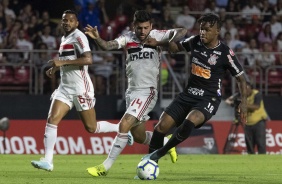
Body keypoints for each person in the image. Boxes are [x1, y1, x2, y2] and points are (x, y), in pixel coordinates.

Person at [84, 10, 187, 176]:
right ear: (134, 26)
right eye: (139, 28)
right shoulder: (128, 38)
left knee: (124, 124)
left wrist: (163, 43)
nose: (143, 31)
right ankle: (167, 143)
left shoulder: (157, 35)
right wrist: (97, 38)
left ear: (151, 26)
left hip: (148, 92)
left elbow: (182, 31)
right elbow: (107, 46)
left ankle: (105, 167)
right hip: (131, 91)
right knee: (138, 136)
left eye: (146, 28)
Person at [142, 13, 248, 163]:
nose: (202, 32)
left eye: (206, 30)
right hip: (187, 95)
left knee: (190, 121)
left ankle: (157, 155)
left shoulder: (225, 53)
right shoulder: (195, 41)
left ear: (217, 31)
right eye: (201, 29)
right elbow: (175, 48)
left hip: (208, 98)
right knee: (160, 128)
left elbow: (241, 79)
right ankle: (150, 165)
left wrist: (243, 102)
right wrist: (160, 42)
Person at [30, 10, 124, 172]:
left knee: (91, 128)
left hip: (81, 88)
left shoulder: (79, 37)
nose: (66, 23)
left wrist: (61, 63)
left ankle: (121, 129)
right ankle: (48, 161)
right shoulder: (64, 38)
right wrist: (55, 68)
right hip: (65, 88)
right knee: (52, 119)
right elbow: (66, 61)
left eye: (70, 20)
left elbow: (88, 59)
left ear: (76, 23)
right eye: (64, 20)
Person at [225, 82, 268, 154]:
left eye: (246, 89)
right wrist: (234, 102)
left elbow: (256, 107)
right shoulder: (241, 95)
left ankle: (263, 161)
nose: (245, 91)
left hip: (259, 122)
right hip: (247, 123)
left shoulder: (257, 94)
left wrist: (243, 105)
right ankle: (251, 161)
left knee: (260, 143)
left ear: (251, 89)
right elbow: (227, 101)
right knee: (249, 145)